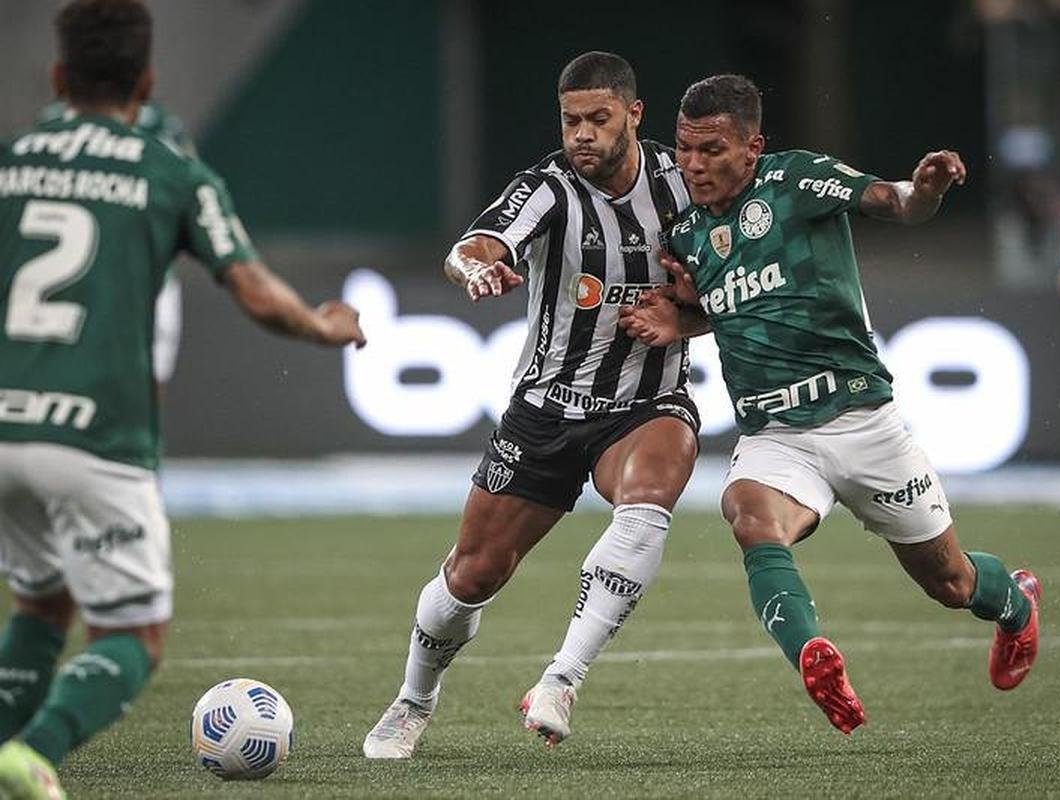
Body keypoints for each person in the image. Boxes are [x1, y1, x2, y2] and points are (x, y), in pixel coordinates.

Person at [0, 1, 366, 796]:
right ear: (148, 81)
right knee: (133, 632)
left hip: (4, 424)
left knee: (39, 603)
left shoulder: (10, 160)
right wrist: (321, 325)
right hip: (96, 433)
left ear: (59, 77)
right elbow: (253, 290)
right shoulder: (168, 169)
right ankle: (35, 755)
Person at [618, 74, 1041, 735]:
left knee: (950, 583)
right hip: (775, 434)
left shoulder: (795, 183)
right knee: (748, 516)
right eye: (685, 150)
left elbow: (890, 201)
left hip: (863, 423)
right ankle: (812, 654)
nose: (694, 166)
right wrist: (682, 320)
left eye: (712, 151)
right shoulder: (690, 234)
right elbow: (725, 305)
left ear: (752, 147)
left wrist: (921, 189)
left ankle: (1015, 605)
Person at [363, 51, 699, 758]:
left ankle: (560, 680)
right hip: (546, 409)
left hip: (644, 404)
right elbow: (474, 245)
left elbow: (739, 284)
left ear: (634, 115)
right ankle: (413, 700)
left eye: (597, 119)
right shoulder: (547, 188)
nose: (581, 133)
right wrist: (476, 265)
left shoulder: (684, 182)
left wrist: (684, 316)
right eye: (570, 119)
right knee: (472, 574)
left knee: (647, 502)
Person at [40, 99, 195, 390]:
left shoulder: (161, 124)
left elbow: (186, 193)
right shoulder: (55, 121)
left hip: (147, 274)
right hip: (79, 270)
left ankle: (143, 435)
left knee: (148, 380)